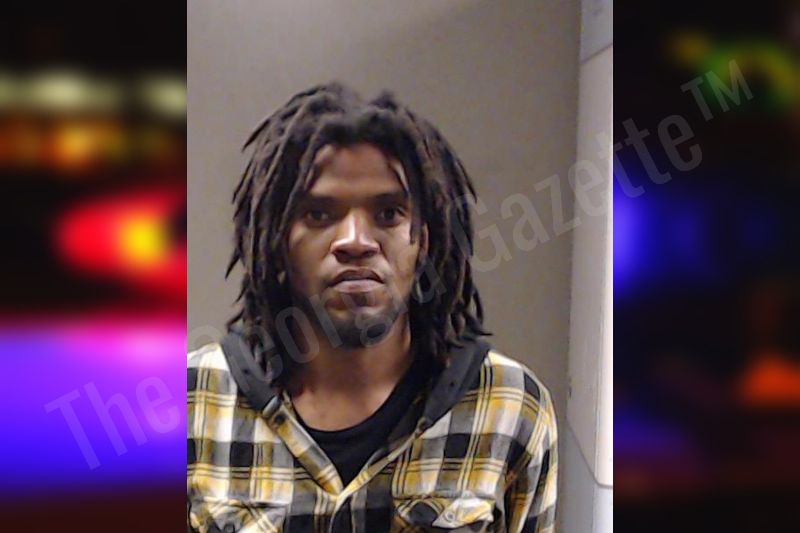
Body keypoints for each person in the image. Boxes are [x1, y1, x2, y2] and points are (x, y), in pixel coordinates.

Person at [187, 82, 558, 532]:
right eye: (319, 215)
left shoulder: (509, 406)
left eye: (388, 214)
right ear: (278, 242)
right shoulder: (191, 401)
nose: (355, 241)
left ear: (425, 240)